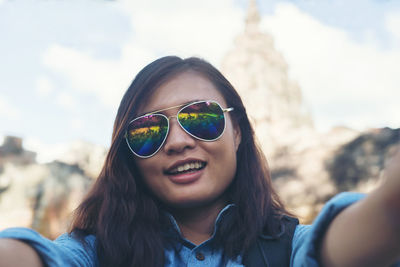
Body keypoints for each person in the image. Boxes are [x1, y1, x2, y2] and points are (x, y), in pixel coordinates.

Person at [0, 56, 399, 267]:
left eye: (201, 117)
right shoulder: (94, 254)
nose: (177, 141)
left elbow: (344, 245)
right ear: (129, 157)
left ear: (237, 130)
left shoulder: (288, 249)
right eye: (147, 130)